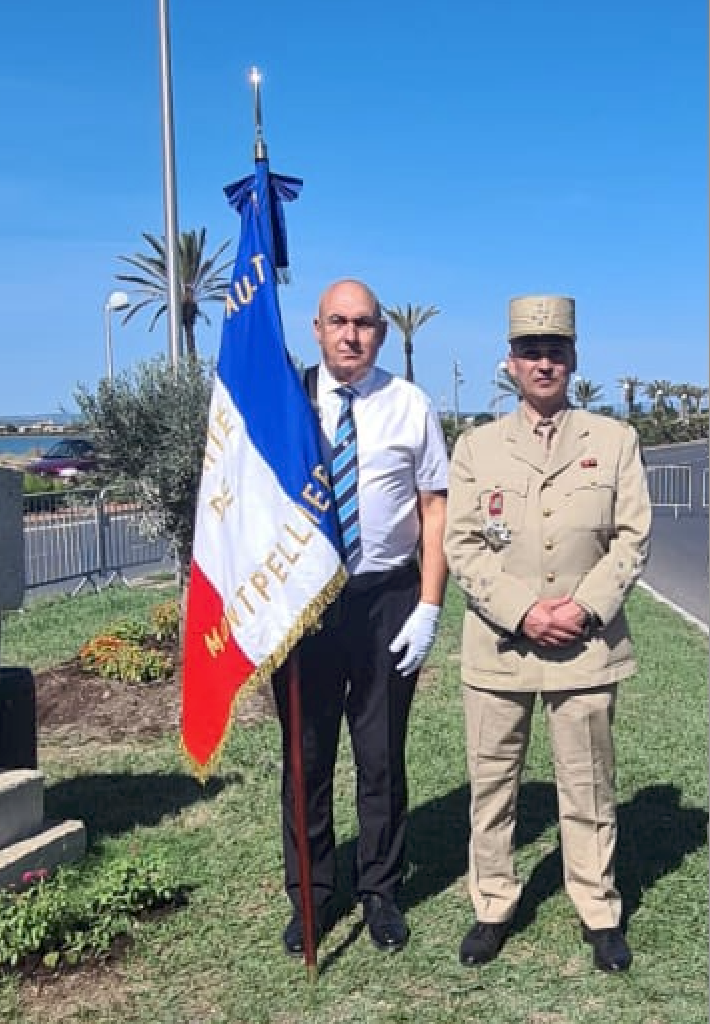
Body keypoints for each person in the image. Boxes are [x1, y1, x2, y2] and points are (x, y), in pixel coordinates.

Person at [444, 295, 651, 973]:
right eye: (530, 352)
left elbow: (631, 539)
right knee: (492, 785)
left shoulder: (613, 440)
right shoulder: (476, 447)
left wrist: (584, 609)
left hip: (585, 647)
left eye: (555, 352)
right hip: (500, 646)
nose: (543, 363)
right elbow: (462, 544)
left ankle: (599, 909)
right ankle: (493, 904)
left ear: (573, 360)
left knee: (588, 784)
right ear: (510, 363)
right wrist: (524, 611)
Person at [272, 278, 449, 956]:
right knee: (306, 756)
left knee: (380, 757)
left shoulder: (409, 404)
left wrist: (428, 605)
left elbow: (434, 506)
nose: (352, 335)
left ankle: (380, 890)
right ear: (317, 329)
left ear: (381, 331)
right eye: (339, 322)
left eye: (365, 323)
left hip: (386, 600)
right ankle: (312, 896)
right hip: (305, 604)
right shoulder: (284, 404)